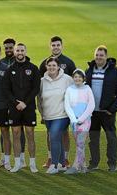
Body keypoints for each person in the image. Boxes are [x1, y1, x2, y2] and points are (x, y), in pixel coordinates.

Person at [39, 36, 77, 168]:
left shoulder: (69, 62)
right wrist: (41, 111)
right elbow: (40, 87)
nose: (56, 47)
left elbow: (76, 83)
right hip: (49, 109)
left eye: (58, 45)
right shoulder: (44, 63)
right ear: (50, 46)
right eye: (53, 45)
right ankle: (51, 157)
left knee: (63, 132)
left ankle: (64, 159)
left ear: (62, 46)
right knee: (50, 133)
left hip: (63, 110)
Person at [3, 43, 40, 173]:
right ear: (14, 51)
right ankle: (18, 163)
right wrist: (16, 103)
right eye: (17, 50)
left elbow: (36, 88)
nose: (20, 52)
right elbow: (6, 89)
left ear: (25, 51)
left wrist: (25, 102)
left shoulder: (33, 68)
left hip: (29, 107)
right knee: (16, 135)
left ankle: (32, 164)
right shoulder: (9, 69)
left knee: (30, 135)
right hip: (14, 108)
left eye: (22, 50)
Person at [86, 45, 117, 172]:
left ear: (106, 57)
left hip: (107, 112)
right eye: (97, 55)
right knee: (93, 139)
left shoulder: (115, 72)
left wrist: (112, 109)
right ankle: (94, 163)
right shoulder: (89, 70)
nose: (98, 57)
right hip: (93, 113)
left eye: (101, 55)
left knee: (111, 138)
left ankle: (112, 164)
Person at [64, 69, 95, 174]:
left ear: (83, 78)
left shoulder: (87, 89)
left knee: (80, 142)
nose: (77, 79)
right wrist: (74, 119)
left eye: (79, 77)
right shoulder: (69, 89)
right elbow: (67, 105)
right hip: (74, 122)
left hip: (85, 121)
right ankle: (83, 166)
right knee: (79, 143)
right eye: (75, 77)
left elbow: (91, 105)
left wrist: (81, 119)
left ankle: (76, 166)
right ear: (73, 78)